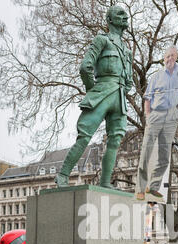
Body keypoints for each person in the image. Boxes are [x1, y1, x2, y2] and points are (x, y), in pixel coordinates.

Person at [55, 5, 133, 189]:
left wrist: (125, 89)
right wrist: (93, 91)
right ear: (110, 20)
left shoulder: (127, 51)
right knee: (84, 136)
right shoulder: (101, 40)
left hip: (120, 97)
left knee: (114, 141)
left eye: (126, 15)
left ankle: (105, 182)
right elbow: (85, 67)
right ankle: (63, 176)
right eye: (120, 15)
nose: (125, 17)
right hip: (102, 92)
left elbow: (129, 79)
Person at [136, 45, 178, 202]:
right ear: (164, 59)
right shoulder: (156, 76)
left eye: (173, 56)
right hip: (156, 115)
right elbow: (147, 97)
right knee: (146, 151)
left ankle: (153, 186)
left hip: (171, 116)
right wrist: (148, 116)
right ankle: (141, 188)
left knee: (165, 156)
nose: (170, 59)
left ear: (177, 56)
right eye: (167, 56)